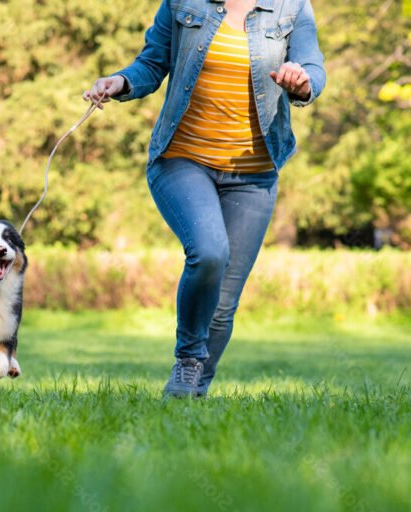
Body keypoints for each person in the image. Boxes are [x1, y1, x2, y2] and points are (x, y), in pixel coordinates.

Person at [84, 0, 325, 397]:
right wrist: (120, 82)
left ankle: (191, 396)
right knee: (210, 252)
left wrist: (302, 81)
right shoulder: (184, 2)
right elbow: (151, 63)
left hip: (254, 174)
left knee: (224, 303)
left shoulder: (291, 7)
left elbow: (313, 68)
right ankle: (188, 361)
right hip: (182, 160)